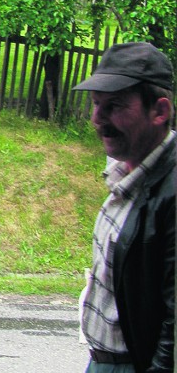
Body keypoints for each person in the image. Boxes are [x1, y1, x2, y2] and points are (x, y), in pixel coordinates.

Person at [73, 42, 175, 372]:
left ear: (160, 111)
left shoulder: (171, 192)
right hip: (102, 360)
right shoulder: (124, 174)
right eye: (95, 104)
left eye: (113, 106)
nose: (97, 119)